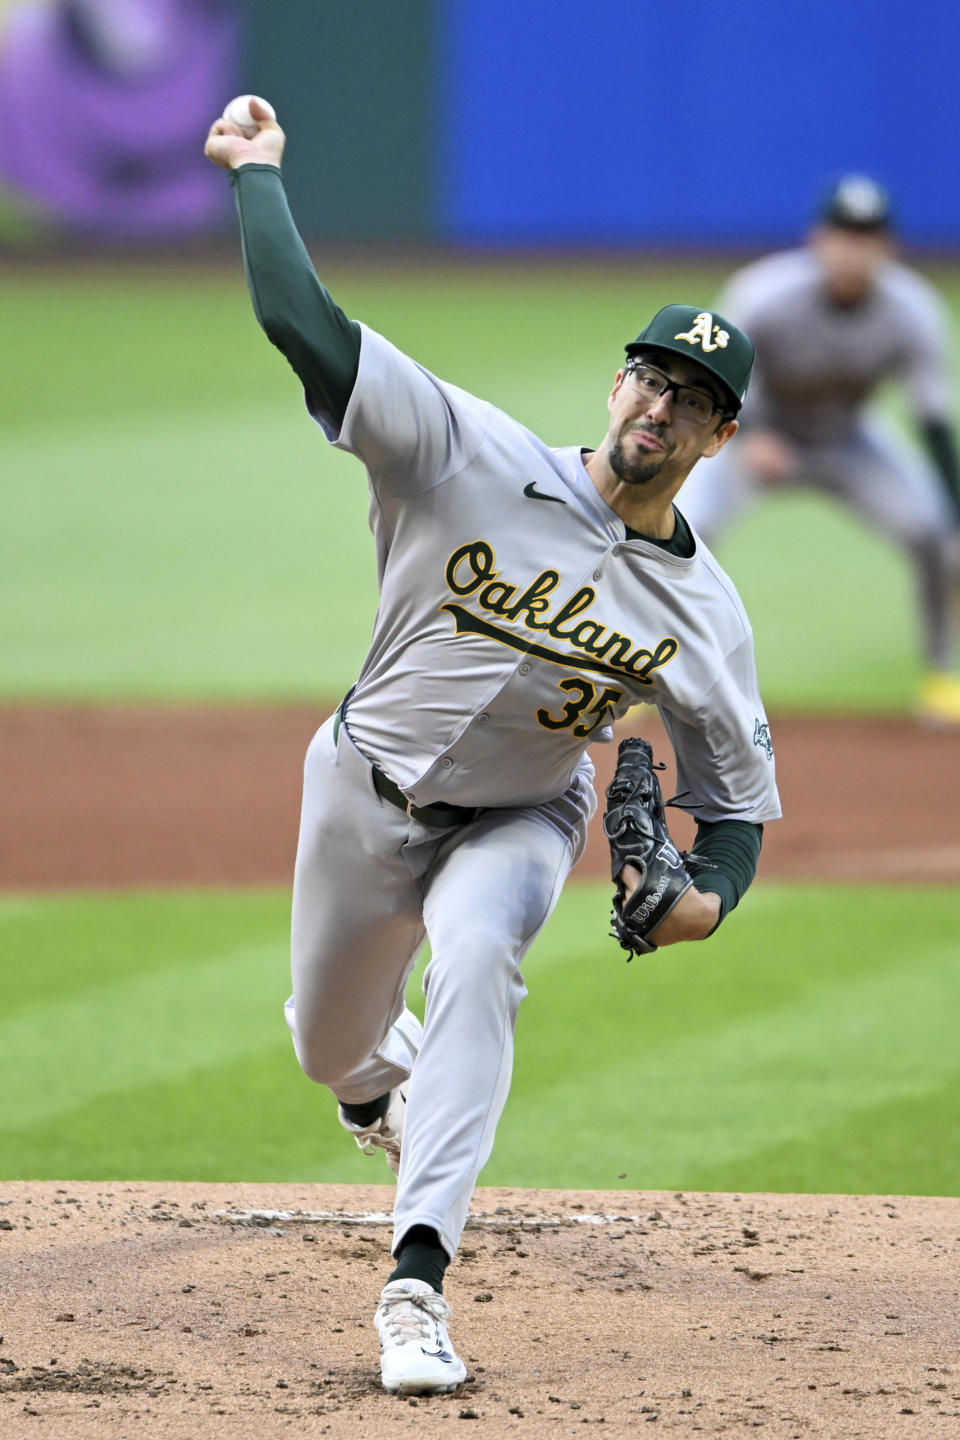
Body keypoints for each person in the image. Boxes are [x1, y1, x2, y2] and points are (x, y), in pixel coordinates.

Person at [204, 100, 781, 1396]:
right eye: (652, 377)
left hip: (523, 819)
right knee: (327, 1046)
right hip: (361, 789)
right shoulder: (467, 451)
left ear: (720, 437)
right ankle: (372, 1089)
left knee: (479, 959)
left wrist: (710, 900)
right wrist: (259, 176)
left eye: (695, 401)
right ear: (619, 379)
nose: (661, 407)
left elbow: (735, 813)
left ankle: (416, 1287)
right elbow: (311, 328)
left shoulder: (705, 615)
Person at [679, 174, 960, 724]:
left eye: (868, 236)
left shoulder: (913, 309)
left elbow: (932, 418)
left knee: (934, 535)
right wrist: (753, 436)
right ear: (818, 239)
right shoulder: (763, 292)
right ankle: (650, 678)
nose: (854, 249)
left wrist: (957, 516)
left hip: (850, 441)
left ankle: (940, 675)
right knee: (678, 533)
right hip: (753, 433)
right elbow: (715, 379)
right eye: (844, 234)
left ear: (888, 247)